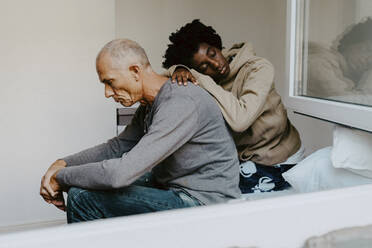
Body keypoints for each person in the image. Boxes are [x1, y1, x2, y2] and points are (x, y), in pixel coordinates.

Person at [40, 39, 241, 223]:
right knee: (85, 186)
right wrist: (62, 163)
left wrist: (61, 177)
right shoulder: (150, 103)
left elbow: (120, 173)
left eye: (110, 82)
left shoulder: (181, 102)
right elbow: (117, 147)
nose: (107, 93)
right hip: (175, 189)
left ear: (135, 71)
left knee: (83, 198)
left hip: (206, 204)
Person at [162, 20, 304, 194]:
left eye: (212, 54)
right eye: (204, 66)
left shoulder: (258, 68)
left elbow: (240, 120)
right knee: (183, 182)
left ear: (217, 46)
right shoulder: (206, 82)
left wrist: (201, 77)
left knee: (213, 196)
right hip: (242, 159)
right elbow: (160, 78)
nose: (215, 64)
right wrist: (179, 69)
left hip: (278, 158)